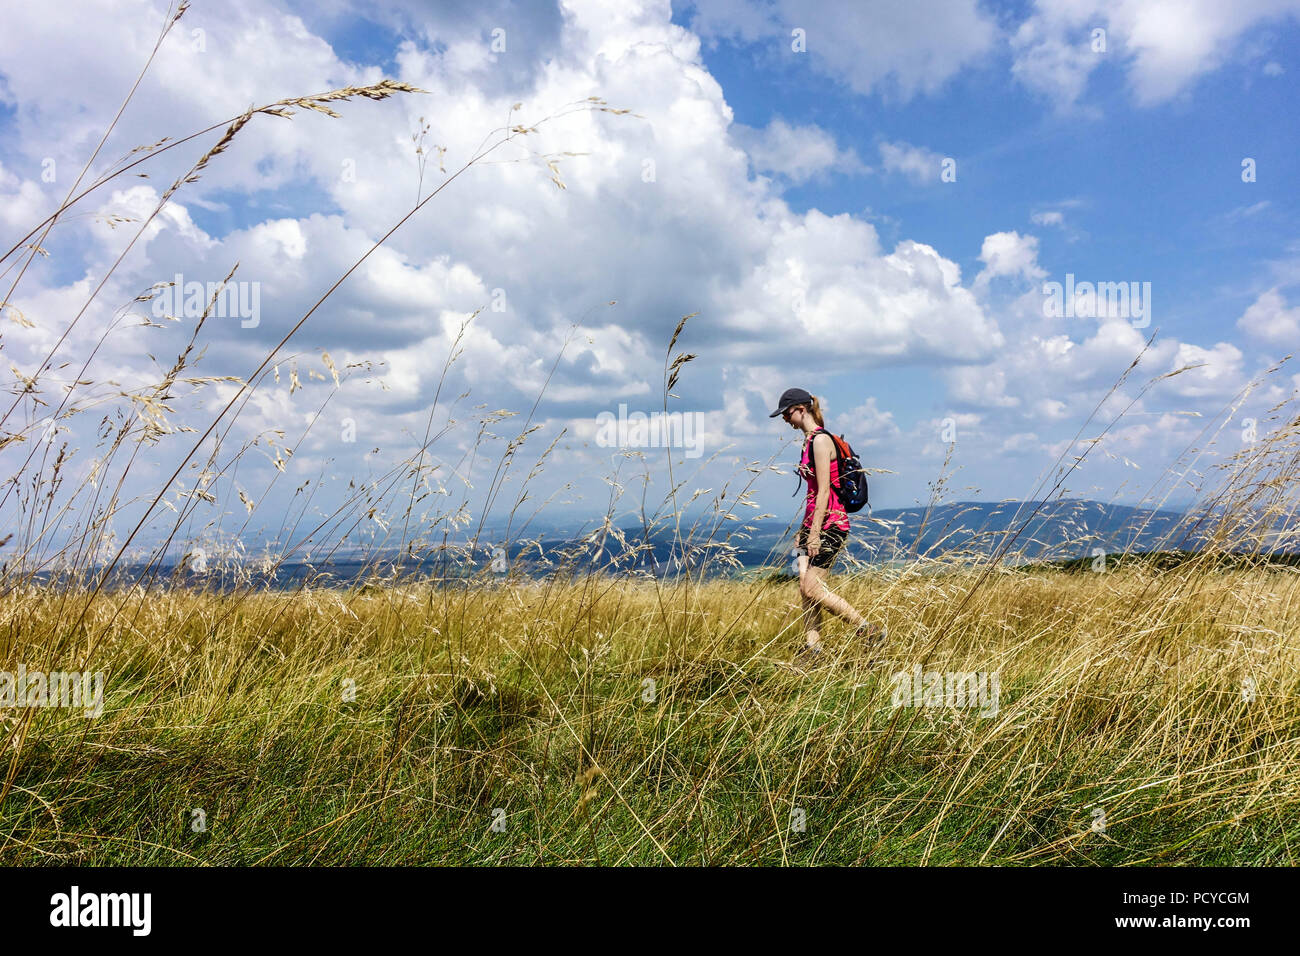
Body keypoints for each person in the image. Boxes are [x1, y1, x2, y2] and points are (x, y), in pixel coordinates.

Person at [770, 387, 885, 661]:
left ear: (800, 409)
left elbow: (823, 491)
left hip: (830, 525)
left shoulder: (821, 442)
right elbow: (811, 496)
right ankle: (813, 649)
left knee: (812, 588)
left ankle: (869, 631)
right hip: (812, 525)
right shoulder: (807, 442)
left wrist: (814, 534)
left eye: (786, 413)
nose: (785, 419)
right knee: (804, 586)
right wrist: (803, 530)